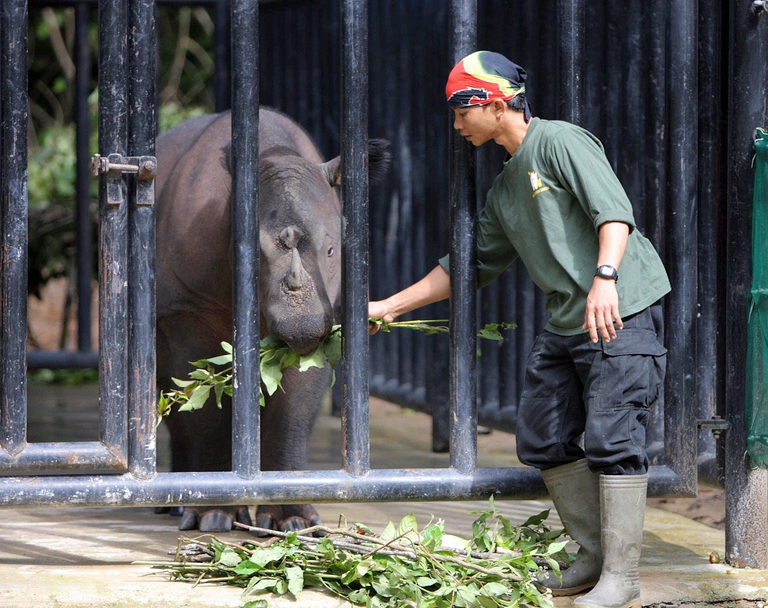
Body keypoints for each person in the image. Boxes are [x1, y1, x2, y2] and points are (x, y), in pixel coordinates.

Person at [368, 51, 670, 608]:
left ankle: (622, 575)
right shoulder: (506, 187)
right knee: (543, 436)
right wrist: (389, 305)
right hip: (568, 319)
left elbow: (614, 213)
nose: (457, 126)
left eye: (462, 112)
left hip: (618, 307)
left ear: (495, 103)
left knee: (613, 440)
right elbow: (468, 265)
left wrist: (605, 277)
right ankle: (593, 556)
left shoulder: (559, 142)